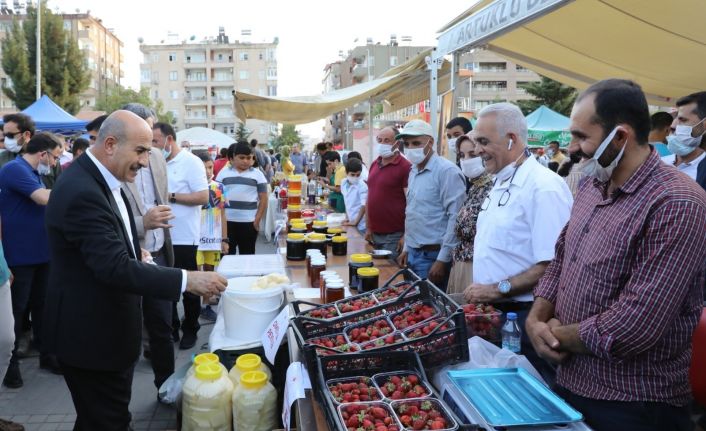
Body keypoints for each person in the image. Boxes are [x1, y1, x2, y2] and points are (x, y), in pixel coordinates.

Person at [526, 79, 706, 431]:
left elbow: (636, 325)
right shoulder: (593, 184)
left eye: (581, 136)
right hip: (571, 381)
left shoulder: (676, 202)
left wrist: (551, 336)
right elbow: (562, 259)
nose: (573, 148)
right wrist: (536, 319)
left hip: (632, 403)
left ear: (620, 137)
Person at [43, 110, 226, 430]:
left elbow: (108, 244)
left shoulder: (106, 179)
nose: (145, 161)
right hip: (93, 339)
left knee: (99, 420)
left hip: (109, 334)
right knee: (108, 421)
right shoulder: (82, 191)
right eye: (141, 151)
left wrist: (134, 250)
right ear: (111, 144)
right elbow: (112, 267)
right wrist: (188, 279)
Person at [466, 102, 573, 383]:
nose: (477, 150)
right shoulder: (499, 180)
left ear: (511, 139)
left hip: (525, 318)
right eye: (476, 142)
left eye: (483, 142)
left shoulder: (544, 187)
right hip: (494, 314)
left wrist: (497, 289)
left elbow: (552, 265)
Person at [118, 104, 177, 395]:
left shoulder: (156, 157)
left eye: (152, 131)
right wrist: (143, 224)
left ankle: (165, 388)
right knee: (127, 333)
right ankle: (120, 404)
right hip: (130, 258)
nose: (150, 141)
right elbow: (112, 222)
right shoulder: (112, 164)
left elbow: (162, 196)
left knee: (162, 327)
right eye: (144, 132)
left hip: (160, 252)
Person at [0, 133, 63, 389]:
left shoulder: (34, 172)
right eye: (55, 157)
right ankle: (10, 365)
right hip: (20, 255)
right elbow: (42, 198)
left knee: (43, 307)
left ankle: (47, 355)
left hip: (41, 253)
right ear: (43, 153)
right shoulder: (16, 169)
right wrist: (74, 190)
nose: (56, 163)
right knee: (17, 311)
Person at [151, 121, 209, 350]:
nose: (153, 145)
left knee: (190, 287)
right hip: (159, 236)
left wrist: (171, 196)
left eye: (155, 141)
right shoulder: (153, 163)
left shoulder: (191, 162)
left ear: (169, 140)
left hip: (185, 236)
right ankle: (171, 328)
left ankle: (191, 328)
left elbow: (203, 197)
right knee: (165, 286)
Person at [396, 120, 465, 290]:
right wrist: (407, 247)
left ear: (430, 142)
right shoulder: (413, 170)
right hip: (413, 252)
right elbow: (413, 210)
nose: (411, 148)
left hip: (433, 256)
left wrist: (442, 259)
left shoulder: (446, 171)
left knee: (430, 310)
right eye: (407, 144)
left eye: (416, 143)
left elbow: (456, 218)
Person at [447, 134, 492, 295]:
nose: (466, 160)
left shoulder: (494, 188)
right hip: (461, 264)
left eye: (472, 154)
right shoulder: (475, 187)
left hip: (478, 270)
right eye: (462, 155)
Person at [365, 127, 411, 261]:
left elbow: (411, 203)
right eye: (379, 140)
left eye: (387, 140)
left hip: (394, 235)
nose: (382, 144)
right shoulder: (374, 164)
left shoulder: (405, 167)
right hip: (374, 233)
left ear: (396, 143)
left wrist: (405, 236)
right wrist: (368, 227)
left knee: (388, 272)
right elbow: (370, 197)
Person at [216, 142, 268, 255]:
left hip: (249, 223)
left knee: (248, 256)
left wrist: (257, 219)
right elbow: (217, 198)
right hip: (227, 223)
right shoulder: (223, 174)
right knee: (227, 256)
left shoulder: (258, 174)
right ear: (232, 157)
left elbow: (264, 199)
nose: (245, 161)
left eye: (249, 158)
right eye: (242, 157)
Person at [194, 151, 228, 322]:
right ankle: (193, 307)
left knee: (209, 271)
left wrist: (224, 239)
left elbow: (222, 215)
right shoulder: (190, 188)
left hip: (213, 238)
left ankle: (206, 305)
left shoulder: (219, 187)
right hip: (194, 238)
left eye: (209, 167)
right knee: (195, 272)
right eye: (203, 168)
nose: (207, 171)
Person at [664, 92, 706, 188]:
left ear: (703, 126)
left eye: (683, 120)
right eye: (675, 118)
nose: (673, 125)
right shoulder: (660, 162)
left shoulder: (702, 174)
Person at [341, 157, 368, 234]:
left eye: (358, 175)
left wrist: (355, 222)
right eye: (352, 174)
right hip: (351, 222)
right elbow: (346, 201)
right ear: (346, 173)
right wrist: (347, 217)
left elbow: (364, 205)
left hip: (361, 225)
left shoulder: (362, 186)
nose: (355, 177)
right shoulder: (343, 183)